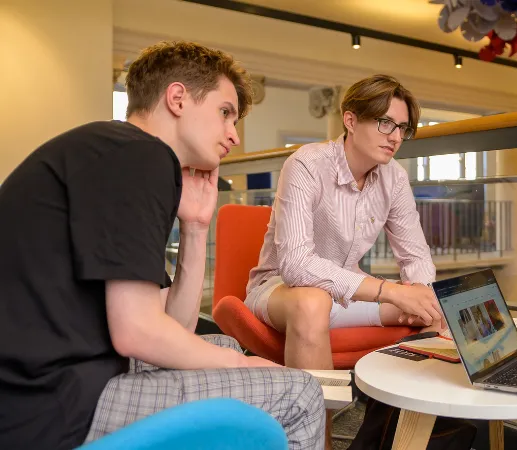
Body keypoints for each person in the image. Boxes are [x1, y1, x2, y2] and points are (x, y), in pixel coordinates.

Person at [0, 41, 325, 450]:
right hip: (48, 402)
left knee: (220, 343)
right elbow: (137, 333)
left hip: (50, 380)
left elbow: (172, 330)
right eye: (225, 113)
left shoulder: (115, 151)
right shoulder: (139, 155)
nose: (234, 136)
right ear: (177, 98)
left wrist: (194, 227)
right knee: (299, 393)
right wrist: (242, 362)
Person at [245, 74, 443, 371]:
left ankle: (395, 417)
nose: (396, 137)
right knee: (312, 302)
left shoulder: (395, 177)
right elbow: (296, 266)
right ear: (350, 121)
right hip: (283, 292)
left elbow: (415, 256)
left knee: (432, 310)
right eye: (385, 123)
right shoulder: (306, 164)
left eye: (402, 128)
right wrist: (391, 291)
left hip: (344, 297)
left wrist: (422, 293)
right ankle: (313, 418)